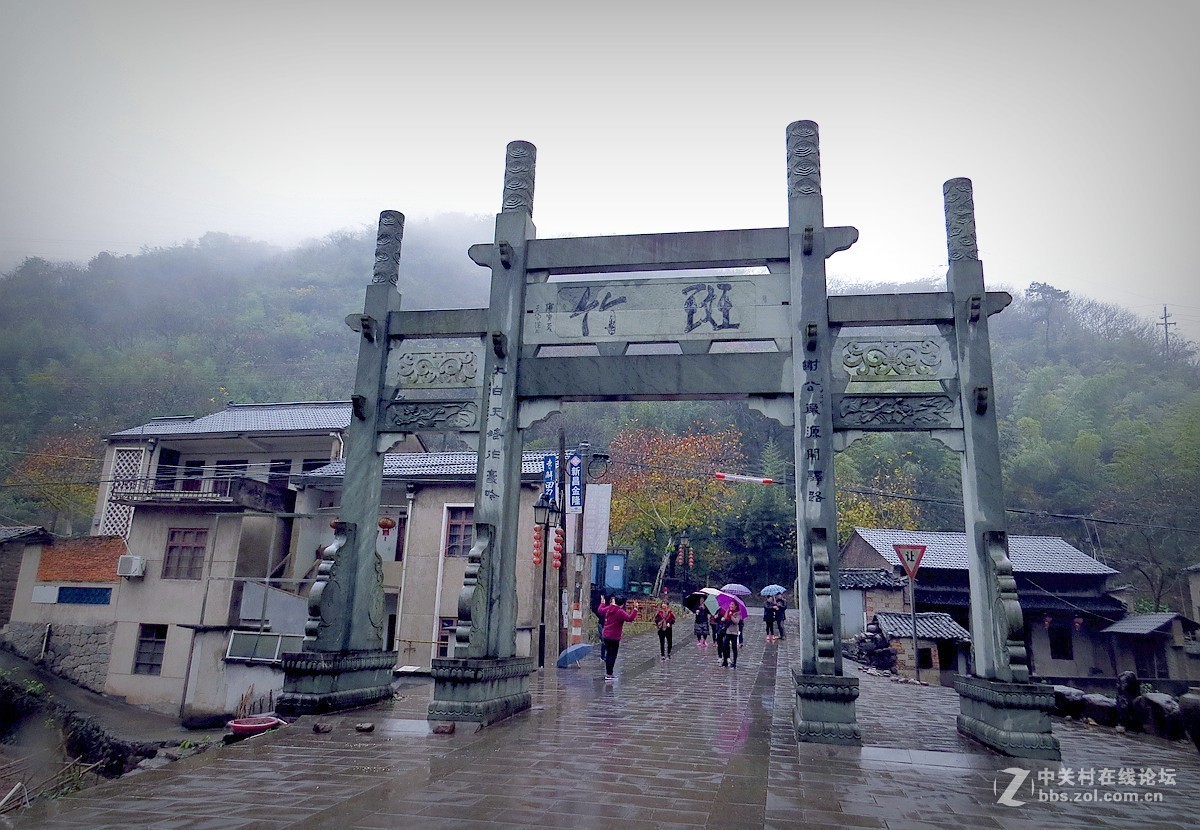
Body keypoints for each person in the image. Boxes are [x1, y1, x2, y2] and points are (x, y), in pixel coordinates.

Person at [595, 595, 637, 681]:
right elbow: (629, 619)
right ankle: (609, 674)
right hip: (614, 636)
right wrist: (635, 609)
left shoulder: (609, 608)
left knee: (608, 654)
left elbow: (600, 610)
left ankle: (608, 673)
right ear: (622, 604)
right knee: (612, 655)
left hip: (606, 635)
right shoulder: (620, 612)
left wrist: (602, 603)